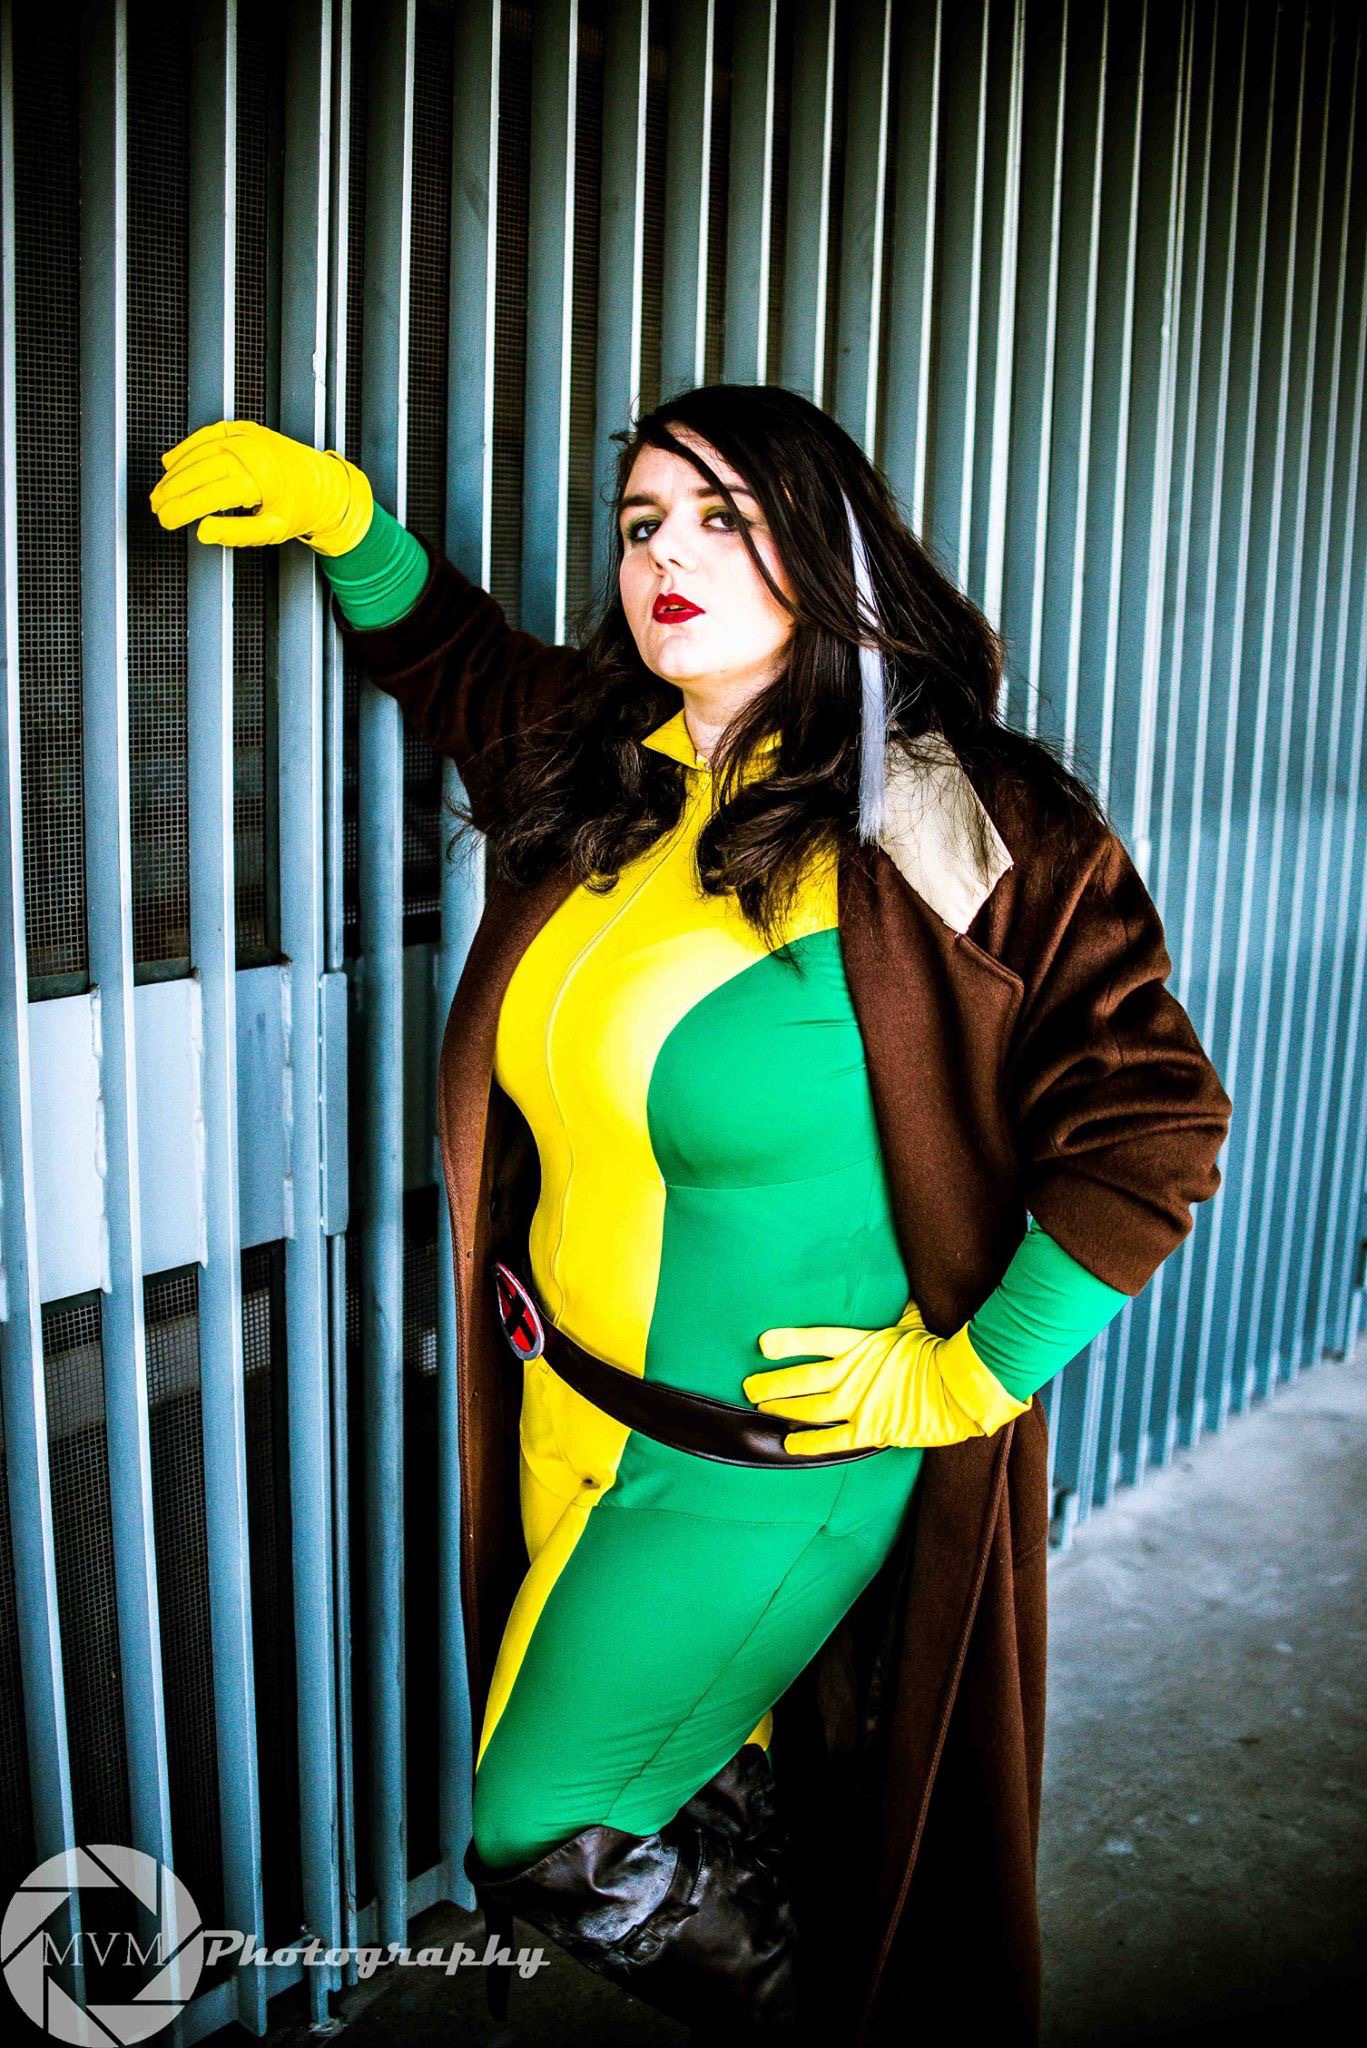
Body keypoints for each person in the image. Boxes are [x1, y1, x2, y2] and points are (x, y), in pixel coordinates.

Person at [150, 389, 1232, 2045]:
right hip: (568, 1422)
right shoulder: (615, 755)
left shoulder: (938, 808)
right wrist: (348, 526)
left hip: (760, 1467)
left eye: (727, 517)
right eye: (646, 521)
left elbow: (1151, 1119)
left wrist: (974, 1375)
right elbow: (463, 669)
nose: (671, 553)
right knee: (686, 1774)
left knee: (543, 1826)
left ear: (831, 549)